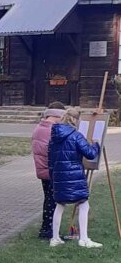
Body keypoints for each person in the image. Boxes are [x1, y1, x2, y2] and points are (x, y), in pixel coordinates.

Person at [49, 107, 102, 249]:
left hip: (58, 176)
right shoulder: (76, 135)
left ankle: (55, 238)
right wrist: (96, 144)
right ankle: (83, 239)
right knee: (83, 204)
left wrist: (53, 178)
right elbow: (90, 153)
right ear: (75, 120)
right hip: (74, 176)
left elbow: (50, 160)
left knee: (60, 204)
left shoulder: (53, 137)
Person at [31, 101, 65, 240]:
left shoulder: (40, 127)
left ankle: (47, 228)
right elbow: (53, 150)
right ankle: (48, 230)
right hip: (51, 169)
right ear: (57, 115)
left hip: (44, 169)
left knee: (49, 199)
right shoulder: (51, 130)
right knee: (53, 201)